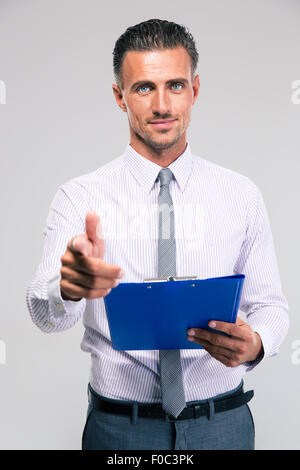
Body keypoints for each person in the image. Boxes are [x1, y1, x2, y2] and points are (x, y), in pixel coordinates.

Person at [26, 18, 289, 450]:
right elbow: (44, 314)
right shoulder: (79, 197)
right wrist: (69, 289)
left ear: (196, 89)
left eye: (176, 86)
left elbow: (271, 306)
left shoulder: (240, 194)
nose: (163, 105)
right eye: (145, 88)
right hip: (120, 432)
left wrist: (256, 344)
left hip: (221, 424)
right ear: (119, 96)